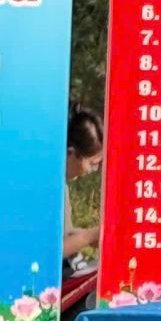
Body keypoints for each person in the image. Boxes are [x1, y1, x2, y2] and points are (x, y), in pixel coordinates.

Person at [63, 106, 103, 261]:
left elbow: (65, 234)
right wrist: (90, 236)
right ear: (71, 153)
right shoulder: (48, 189)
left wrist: (96, 237)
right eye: (92, 164)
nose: (92, 171)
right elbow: (53, 250)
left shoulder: (62, 187)